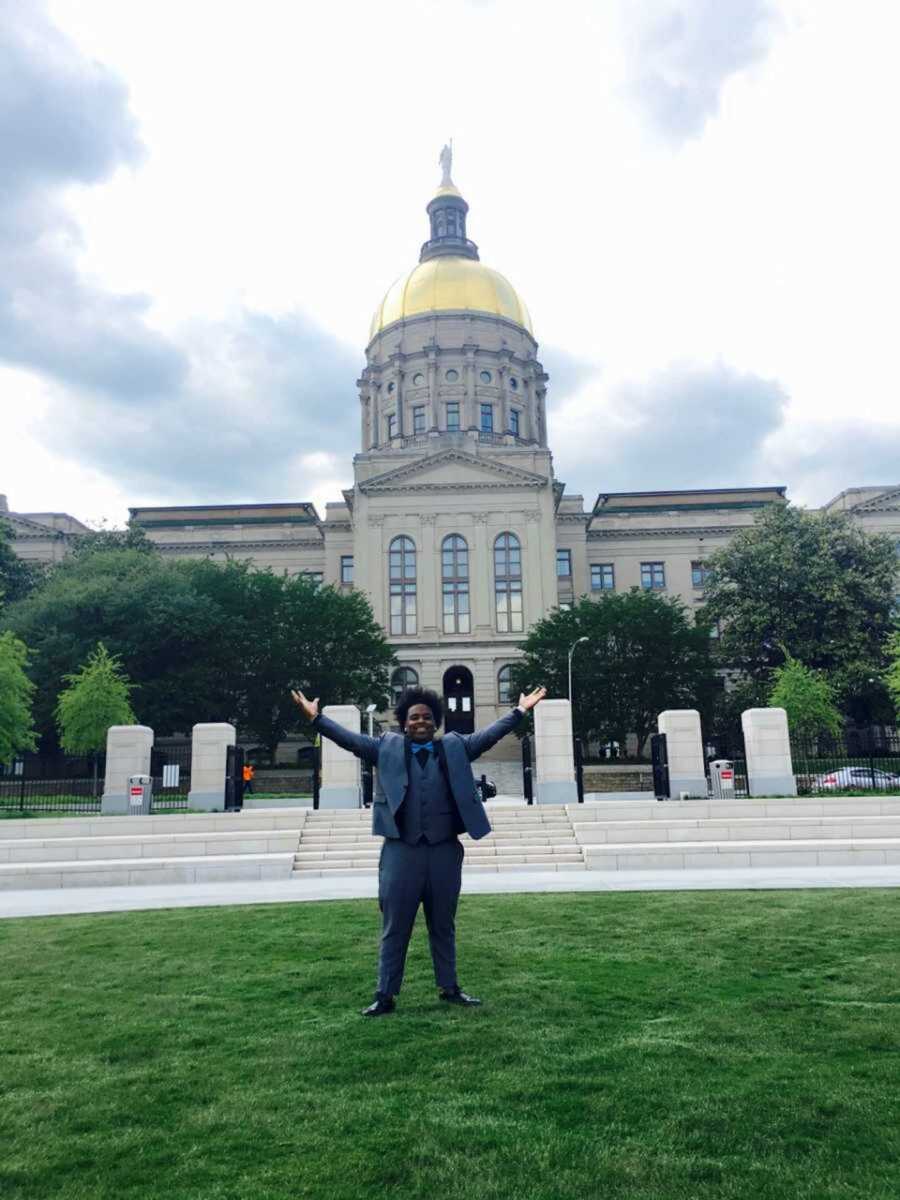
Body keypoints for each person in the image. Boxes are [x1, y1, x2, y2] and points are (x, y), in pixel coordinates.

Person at [290, 683, 546, 1016]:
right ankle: (385, 994)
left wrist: (521, 710)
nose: (421, 722)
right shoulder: (385, 748)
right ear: (404, 722)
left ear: (436, 721)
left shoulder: (455, 747)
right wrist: (317, 719)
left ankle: (449, 987)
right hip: (401, 852)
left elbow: (489, 735)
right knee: (395, 925)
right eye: (414, 717)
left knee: (443, 924)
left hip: (444, 852)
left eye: (427, 717)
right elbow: (349, 741)